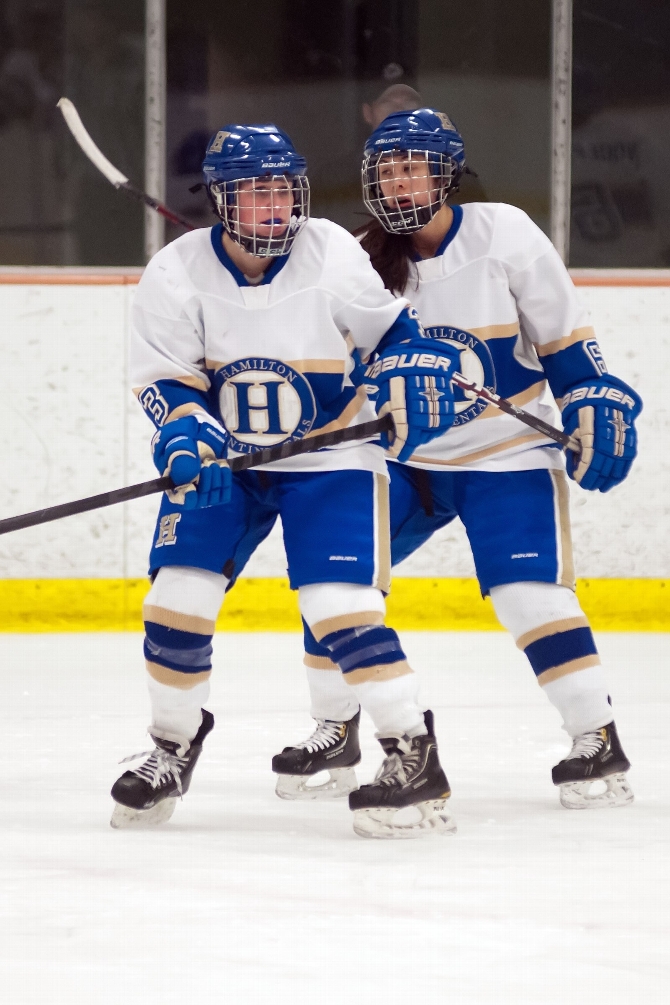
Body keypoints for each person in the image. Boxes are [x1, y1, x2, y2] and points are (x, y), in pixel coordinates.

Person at [273, 108, 642, 811]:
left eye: (411, 165)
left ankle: (596, 735)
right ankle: (337, 727)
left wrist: (590, 394)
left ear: (446, 173)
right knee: (337, 578)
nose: (399, 180)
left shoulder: (504, 233)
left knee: (529, 595)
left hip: (507, 454)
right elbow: (339, 355)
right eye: (385, 169)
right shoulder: (360, 258)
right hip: (405, 459)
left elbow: (565, 338)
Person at [110, 122, 460, 839]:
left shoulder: (330, 251)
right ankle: (172, 744)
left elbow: (393, 336)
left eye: (283, 189)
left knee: (339, 605)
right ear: (220, 199)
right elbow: (168, 383)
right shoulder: (173, 273)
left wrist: (413, 372)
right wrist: (185, 435)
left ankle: (410, 751)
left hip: (330, 456)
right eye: (255, 192)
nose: (276, 206)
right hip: (229, 463)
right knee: (175, 599)